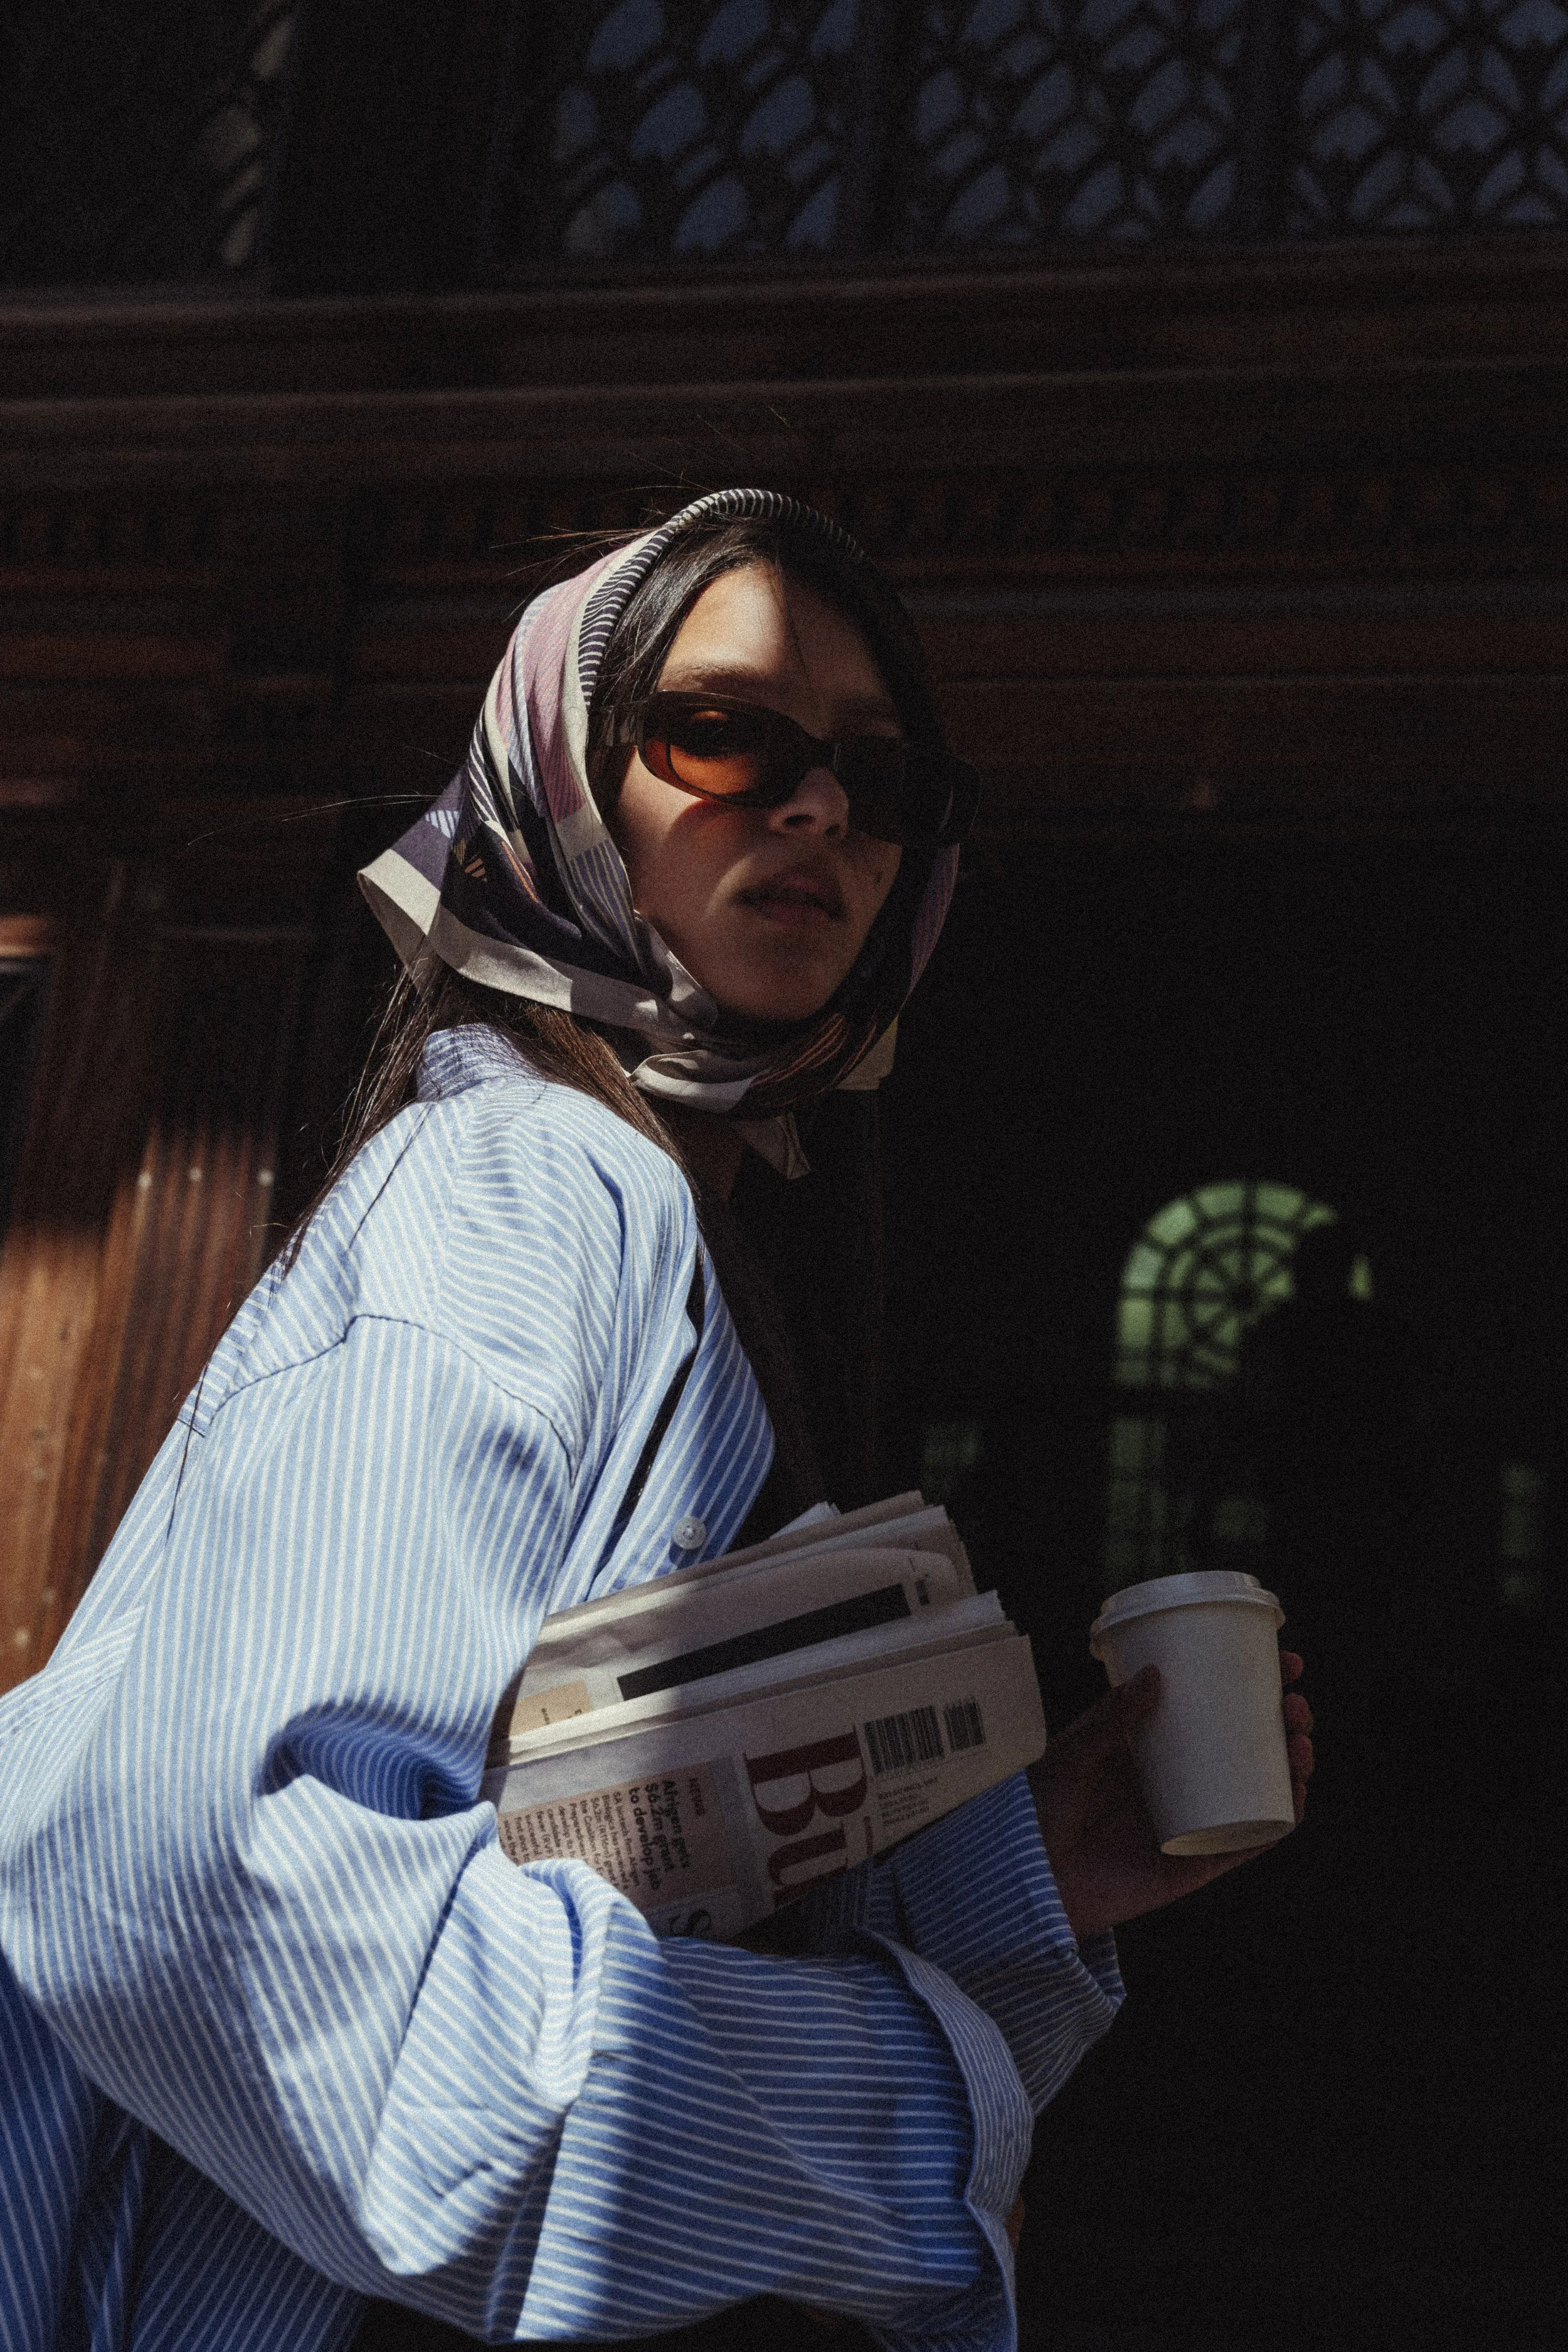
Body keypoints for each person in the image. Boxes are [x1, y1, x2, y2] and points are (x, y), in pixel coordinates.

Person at [0, 489, 1313, 2352]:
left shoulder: (708, 1218)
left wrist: (1025, 1864)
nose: (816, 814)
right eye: (723, 735)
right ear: (560, 768)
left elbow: (644, 1847)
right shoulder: (527, 1181)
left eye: (882, 781)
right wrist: (892, 2115)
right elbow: (216, 1886)